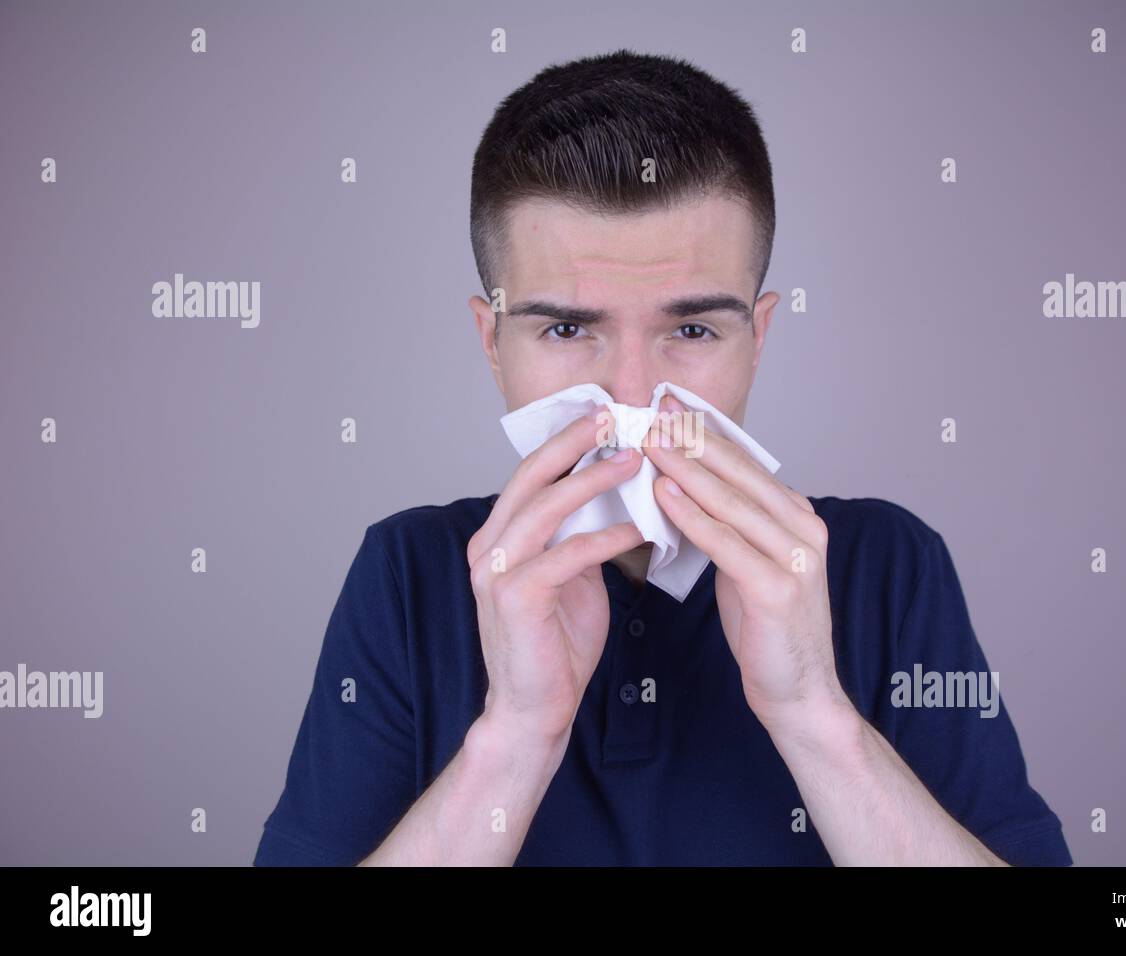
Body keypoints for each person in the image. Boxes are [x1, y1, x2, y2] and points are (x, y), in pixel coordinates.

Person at [253, 48, 1071, 866]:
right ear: (492, 343)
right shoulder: (410, 576)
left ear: (758, 340)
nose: (634, 396)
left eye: (691, 330)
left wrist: (813, 712)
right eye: (567, 330)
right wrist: (516, 737)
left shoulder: (888, 569)